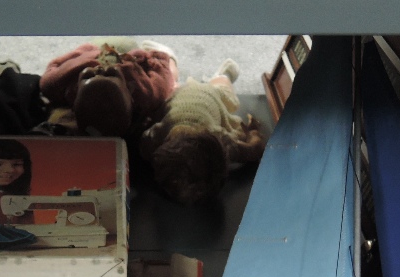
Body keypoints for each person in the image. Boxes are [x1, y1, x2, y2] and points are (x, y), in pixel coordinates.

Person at [141, 60, 266, 205]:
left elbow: (255, 149)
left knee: (219, 89)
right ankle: (176, 62)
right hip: (189, 95)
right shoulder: (160, 132)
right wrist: (254, 133)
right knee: (176, 86)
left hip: (201, 97)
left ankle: (220, 74)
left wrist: (253, 133)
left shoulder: (222, 141)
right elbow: (255, 149)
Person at [40, 40, 179, 137]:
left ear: (73, 99)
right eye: (111, 74)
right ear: (130, 92)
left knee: (114, 42)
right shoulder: (145, 94)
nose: (101, 69)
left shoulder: (62, 83)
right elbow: (163, 78)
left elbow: (53, 68)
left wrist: (83, 51)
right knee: (172, 78)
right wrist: (154, 57)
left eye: (88, 75)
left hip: (96, 52)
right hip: (134, 62)